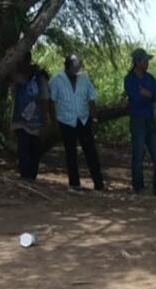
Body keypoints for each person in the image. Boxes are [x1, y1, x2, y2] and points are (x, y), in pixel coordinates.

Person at [50, 55, 105, 191]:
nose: (76, 71)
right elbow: (52, 101)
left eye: (78, 68)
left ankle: (99, 184)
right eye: (73, 68)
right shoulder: (57, 80)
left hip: (83, 119)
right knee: (70, 152)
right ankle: (74, 184)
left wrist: (94, 118)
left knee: (91, 151)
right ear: (67, 67)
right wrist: (53, 120)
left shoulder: (84, 79)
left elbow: (91, 99)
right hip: (66, 120)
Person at [124, 48, 156, 195]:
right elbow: (135, 98)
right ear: (137, 62)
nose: (147, 63)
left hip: (150, 120)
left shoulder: (150, 78)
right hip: (137, 120)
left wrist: (149, 94)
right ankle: (138, 187)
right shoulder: (129, 80)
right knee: (138, 154)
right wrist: (149, 95)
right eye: (145, 60)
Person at [10, 52, 51, 180]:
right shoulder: (16, 78)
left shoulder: (39, 78)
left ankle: (31, 177)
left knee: (34, 150)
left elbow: (44, 100)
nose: (19, 64)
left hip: (36, 120)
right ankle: (25, 176)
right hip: (20, 120)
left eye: (20, 61)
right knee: (23, 150)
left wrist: (45, 121)